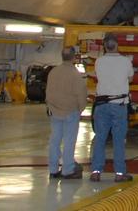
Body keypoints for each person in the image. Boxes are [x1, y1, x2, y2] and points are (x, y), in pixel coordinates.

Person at [89, 34, 136, 183]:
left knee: (100, 138)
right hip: (119, 105)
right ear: (117, 45)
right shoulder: (125, 61)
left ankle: (96, 172)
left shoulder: (99, 61)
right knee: (118, 140)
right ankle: (120, 173)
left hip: (101, 105)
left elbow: (98, 76)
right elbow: (130, 79)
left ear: (104, 46)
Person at [45, 46, 87, 179]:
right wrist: (80, 109)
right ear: (74, 57)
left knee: (54, 140)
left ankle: (53, 169)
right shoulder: (75, 75)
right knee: (69, 141)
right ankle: (67, 170)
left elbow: (47, 92)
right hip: (70, 112)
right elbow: (81, 95)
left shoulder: (53, 72)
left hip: (55, 111)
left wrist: (51, 106)